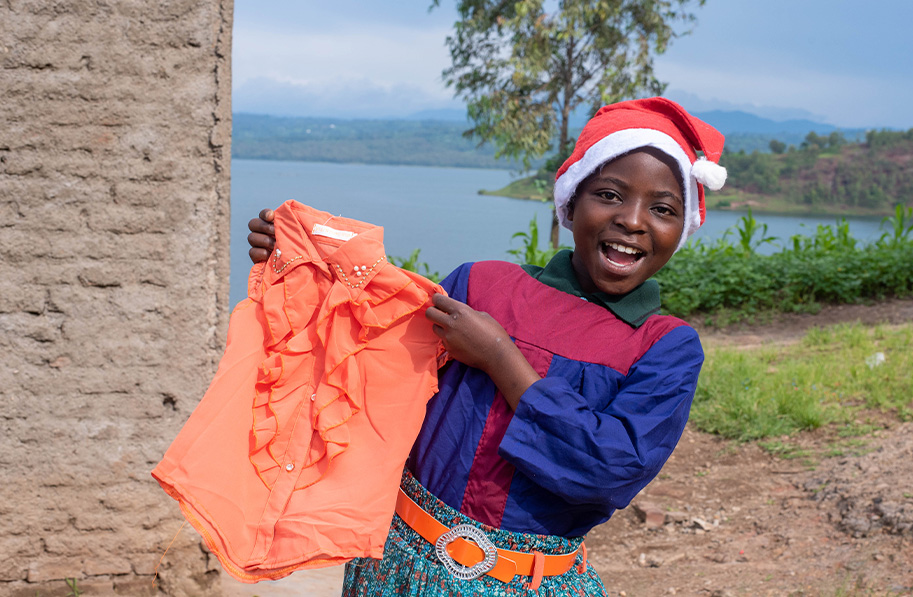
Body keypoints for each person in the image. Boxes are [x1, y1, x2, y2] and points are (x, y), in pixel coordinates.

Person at [244, 97, 727, 596]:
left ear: (682, 229)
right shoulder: (482, 286)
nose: (632, 219)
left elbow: (608, 469)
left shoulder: (666, 347)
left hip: (523, 583)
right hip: (395, 565)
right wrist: (306, 269)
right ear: (570, 203)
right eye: (609, 194)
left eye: (663, 208)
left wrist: (500, 357)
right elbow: (372, 353)